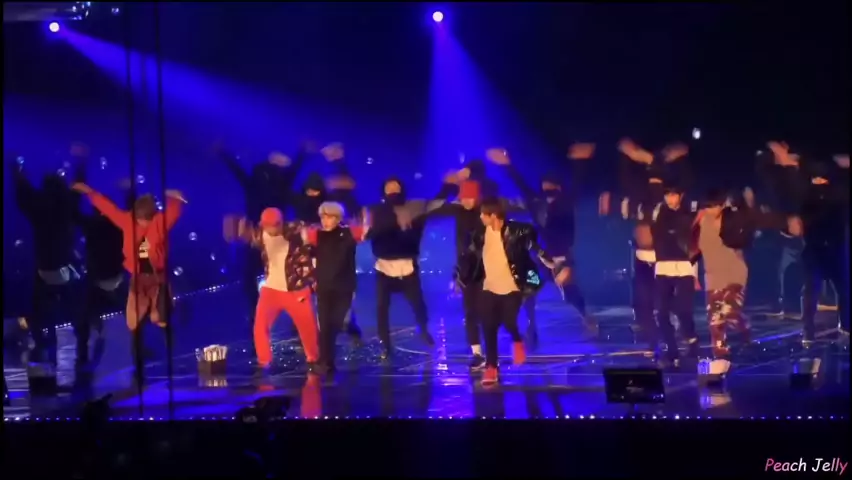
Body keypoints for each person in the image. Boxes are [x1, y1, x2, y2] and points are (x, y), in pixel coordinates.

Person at [485, 144, 598, 343]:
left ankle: (588, 320)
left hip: (561, 256)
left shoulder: (566, 202)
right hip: (540, 256)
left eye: (551, 187)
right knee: (529, 291)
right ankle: (532, 329)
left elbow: (577, 184)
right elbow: (520, 184)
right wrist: (506, 164)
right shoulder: (537, 201)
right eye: (545, 187)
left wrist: (580, 162)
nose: (547, 190)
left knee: (569, 291)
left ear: (558, 188)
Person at [71, 181, 186, 371]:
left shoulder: (159, 223)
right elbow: (108, 209)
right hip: (138, 280)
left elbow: (174, 210)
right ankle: (138, 360)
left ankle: (173, 355)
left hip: (158, 279)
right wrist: (90, 192)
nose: (141, 223)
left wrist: (174, 197)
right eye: (138, 219)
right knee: (134, 322)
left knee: (162, 318)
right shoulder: (128, 221)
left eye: (144, 220)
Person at [458, 197, 570, 386]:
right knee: (489, 326)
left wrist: (551, 263)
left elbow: (536, 247)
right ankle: (491, 367)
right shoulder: (480, 234)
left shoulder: (518, 231)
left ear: (493, 216)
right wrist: (459, 275)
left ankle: (518, 340)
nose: (481, 217)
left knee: (509, 322)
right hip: (489, 287)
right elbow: (469, 255)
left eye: (484, 215)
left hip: (512, 287)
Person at [694, 187, 802, 358]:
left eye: (714, 206)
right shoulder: (700, 220)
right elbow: (691, 244)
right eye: (707, 206)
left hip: (734, 273)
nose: (710, 210)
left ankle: (745, 329)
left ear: (722, 205)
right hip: (712, 276)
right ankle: (720, 354)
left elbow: (757, 219)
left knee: (729, 312)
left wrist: (786, 223)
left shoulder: (733, 218)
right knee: (715, 319)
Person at [216, 143, 312, 324]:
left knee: (259, 275)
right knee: (276, 275)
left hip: (265, 235)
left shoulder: (259, 183)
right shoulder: (276, 183)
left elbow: (238, 171)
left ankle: (261, 312)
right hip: (265, 235)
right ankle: (267, 312)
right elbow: (293, 170)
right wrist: (303, 153)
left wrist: (223, 153)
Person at [226, 208, 319, 373]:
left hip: (296, 289)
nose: (271, 230)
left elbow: (313, 234)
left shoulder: (295, 231)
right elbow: (247, 236)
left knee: (308, 331)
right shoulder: (261, 234)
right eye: (267, 226)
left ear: (280, 223)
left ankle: (314, 360)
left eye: (274, 226)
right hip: (271, 290)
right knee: (259, 327)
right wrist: (238, 231)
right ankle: (264, 362)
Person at [11, 153, 80, 365]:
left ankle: (44, 342)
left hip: (45, 268)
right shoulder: (66, 206)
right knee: (72, 303)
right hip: (64, 267)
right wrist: (81, 165)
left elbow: (24, 195)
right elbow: (77, 193)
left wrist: (17, 172)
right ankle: (81, 339)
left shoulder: (39, 207)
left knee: (40, 309)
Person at [366, 177, 436, 360]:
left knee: (418, 304)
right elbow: (371, 233)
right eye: (389, 188)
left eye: (396, 187)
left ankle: (424, 329)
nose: (392, 191)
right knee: (382, 308)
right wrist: (390, 222)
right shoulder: (377, 211)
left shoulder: (412, 210)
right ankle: (386, 344)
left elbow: (431, 207)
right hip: (384, 266)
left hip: (407, 266)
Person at [68, 147, 127, 367]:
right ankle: (141, 345)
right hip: (116, 278)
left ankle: (83, 354)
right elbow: (132, 214)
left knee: (83, 318)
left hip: (98, 280)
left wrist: (80, 170)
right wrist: (128, 191)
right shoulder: (119, 223)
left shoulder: (91, 224)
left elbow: (73, 212)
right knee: (132, 312)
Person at [301, 202, 369, 374]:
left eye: (329, 217)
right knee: (325, 326)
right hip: (324, 287)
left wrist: (367, 218)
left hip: (344, 287)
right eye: (323, 217)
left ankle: (327, 360)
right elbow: (304, 243)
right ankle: (326, 362)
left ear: (338, 218)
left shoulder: (348, 233)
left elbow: (367, 231)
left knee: (335, 325)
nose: (325, 221)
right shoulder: (317, 235)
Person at [648, 182, 701, 368]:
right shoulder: (659, 212)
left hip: (684, 267)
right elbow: (654, 233)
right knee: (661, 312)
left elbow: (694, 240)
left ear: (681, 195)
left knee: (683, 310)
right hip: (663, 267)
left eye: (673, 195)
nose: (669, 199)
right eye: (667, 195)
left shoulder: (689, 213)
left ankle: (692, 338)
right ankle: (672, 351)